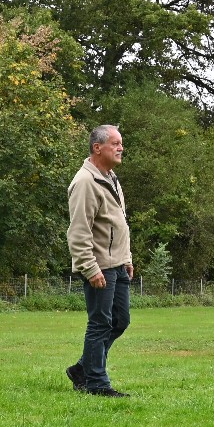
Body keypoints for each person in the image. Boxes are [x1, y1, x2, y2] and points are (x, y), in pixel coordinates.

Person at [67, 124, 134, 397]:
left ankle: (82, 368)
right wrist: (90, 268)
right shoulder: (85, 182)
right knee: (100, 323)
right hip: (100, 267)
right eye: (115, 143)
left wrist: (126, 257)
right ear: (97, 148)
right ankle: (97, 383)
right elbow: (78, 232)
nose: (121, 148)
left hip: (118, 265)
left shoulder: (110, 178)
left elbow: (118, 223)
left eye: (121, 143)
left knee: (120, 321)